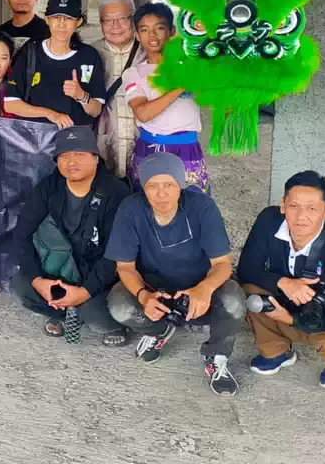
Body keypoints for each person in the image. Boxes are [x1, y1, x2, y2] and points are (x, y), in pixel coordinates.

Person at [104, 152, 243, 396]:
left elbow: (222, 263)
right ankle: (157, 330)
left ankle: (216, 356)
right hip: (154, 289)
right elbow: (125, 267)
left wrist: (205, 289)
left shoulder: (202, 207)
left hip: (199, 290)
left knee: (233, 300)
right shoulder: (131, 209)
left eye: (169, 185)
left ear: (180, 184)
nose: (161, 194)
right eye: (152, 186)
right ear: (143, 188)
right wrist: (144, 296)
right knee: (119, 306)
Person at [238, 171, 325, 390]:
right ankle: (276, 350)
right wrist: (283, 282)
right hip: (285, 307)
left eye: (311, 209)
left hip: (322, 323)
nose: (301, 216)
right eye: (294, 206)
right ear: (283, 205)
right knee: (249, 291)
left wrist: (293, 320)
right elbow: (245, 270)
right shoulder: (269, 221)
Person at [12, 127, 131, 342]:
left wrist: (85, 291)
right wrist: (38, 280)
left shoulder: (115, 192)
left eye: (79, 154)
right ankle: (62, 312)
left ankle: (106, 323)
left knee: (94, 314)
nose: (71, 161)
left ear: (96, 159)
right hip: (61, 268)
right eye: (64, 155)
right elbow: (22, 234)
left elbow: (117, 254)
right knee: (21, 287)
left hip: (99, 274)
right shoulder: (49, 187)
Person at [125, 2, 209, 193]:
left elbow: (216, 103)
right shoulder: (133, 73)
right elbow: (143, 114)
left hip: (187, 149)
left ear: (172, 31)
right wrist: (181, 86)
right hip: (149, 149)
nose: (152, 36)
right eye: (144, 30)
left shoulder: (191, 67)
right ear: (137, 36)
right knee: (148, 203)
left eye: (159, 28)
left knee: (191, 203)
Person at [3, 0, 105, 130]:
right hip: (36, 138)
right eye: (56, 17)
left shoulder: (89, 56)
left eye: (68, 18)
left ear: (79, 22)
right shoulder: (30, 51)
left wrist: (81, 96)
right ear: (47, 20)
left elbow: (96, 110)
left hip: (73, 139)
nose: (62, 24)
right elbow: (10, 104)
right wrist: (49, 114)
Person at [94, 0, 144, 180]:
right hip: (104, 143)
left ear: (133, 19)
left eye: (122, 18)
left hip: (144, 144)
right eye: (108, 20)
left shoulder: (149, 52)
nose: (115, 26)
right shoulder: (90, 54)